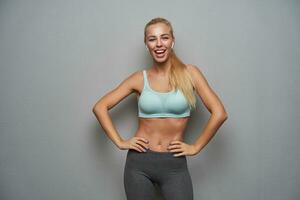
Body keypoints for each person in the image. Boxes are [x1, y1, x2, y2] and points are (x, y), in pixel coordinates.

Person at [92, 17, 228, 200]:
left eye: (164, 37)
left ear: (173, 41)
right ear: (146, 44)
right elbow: (100, 107)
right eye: (152, 39)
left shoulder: (190, 74)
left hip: (174, 165)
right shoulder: (140, 78)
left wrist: (196, 147)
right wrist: (120, 142)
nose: (158, 44)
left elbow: (220, 113)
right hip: (139, 164)